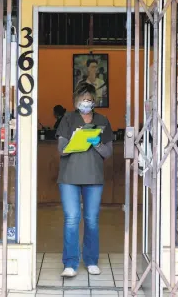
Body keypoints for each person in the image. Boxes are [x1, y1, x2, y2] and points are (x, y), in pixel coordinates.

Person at [55, 82, 113, 278]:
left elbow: (108, 152)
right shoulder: (68, 119)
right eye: (82, 100)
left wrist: (96, 143)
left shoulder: (102, 120)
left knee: (91, 220)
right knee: (71, 219)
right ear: (76, 101)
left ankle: (91, 260)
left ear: (94, 101)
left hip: (94, 177)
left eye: (89, 99)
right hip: (69, 177)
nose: (85, 103)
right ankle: (70, 263)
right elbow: (61, 150)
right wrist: (75, 140)